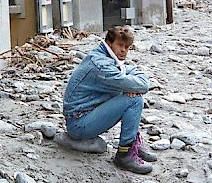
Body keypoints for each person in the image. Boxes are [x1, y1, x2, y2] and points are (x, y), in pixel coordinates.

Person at [62, 26, 156, 174]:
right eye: (120, 45)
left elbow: (134, 72)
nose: (124, 50)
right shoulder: (101, 64)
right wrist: (131, 87)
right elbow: (142, 85)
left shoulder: (106, 57)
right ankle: (124, 155)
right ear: (109, 42)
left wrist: (131, 86)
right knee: (134, 100)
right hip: (79, 124)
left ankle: (133, 146)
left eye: (127, 47)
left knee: (132, 93)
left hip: (87, 116)